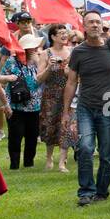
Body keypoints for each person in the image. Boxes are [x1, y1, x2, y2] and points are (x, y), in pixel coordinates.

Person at [62, 9, 110, 206]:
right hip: (86, 105)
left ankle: (102, 190)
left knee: (107, 152)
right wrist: (66, 111)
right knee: (86, 148)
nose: (95, 25)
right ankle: (86, 192)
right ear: (84, 27)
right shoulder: (79, 52)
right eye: (91, 22)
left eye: (98, 22)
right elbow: (72, 82)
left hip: (109, 103)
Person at [38, 23, 78, 172]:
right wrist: (49, 67)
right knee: (50, 127)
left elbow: (76, 76)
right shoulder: (45, 54)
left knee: (65, 126)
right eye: (60, 33)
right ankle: (49, 158)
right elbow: (38, 79)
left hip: (68, 94)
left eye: (65, 32)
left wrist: (68, 71)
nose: (64, 35)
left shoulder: (73, 52)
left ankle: (62, 162)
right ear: (53, 37)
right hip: (50, 95)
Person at [2, 34, 44, 170]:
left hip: (34, 106)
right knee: (15, 136)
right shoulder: (11, 62)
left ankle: (29, 162)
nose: (35, 49)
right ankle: (14, 164)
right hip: (16, 106)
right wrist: (9, 77)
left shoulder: (37, 61)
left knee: (32, 136)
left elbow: (41, 77)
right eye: (32, 47)